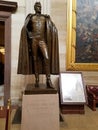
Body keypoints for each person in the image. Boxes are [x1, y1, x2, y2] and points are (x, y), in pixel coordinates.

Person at [17, 2, 59, 88]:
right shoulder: (31, 17)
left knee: (46, 58)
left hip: (42, 40)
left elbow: (52, 27)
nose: (39, 7)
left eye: (40, 6)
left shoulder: (45, 17)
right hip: (34, 40)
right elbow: (25, 29)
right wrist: (30, 36)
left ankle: (48, 80)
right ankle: (37, 79)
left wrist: (51, 23)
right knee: (35, 59)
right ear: (34, 8)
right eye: (37, 6)